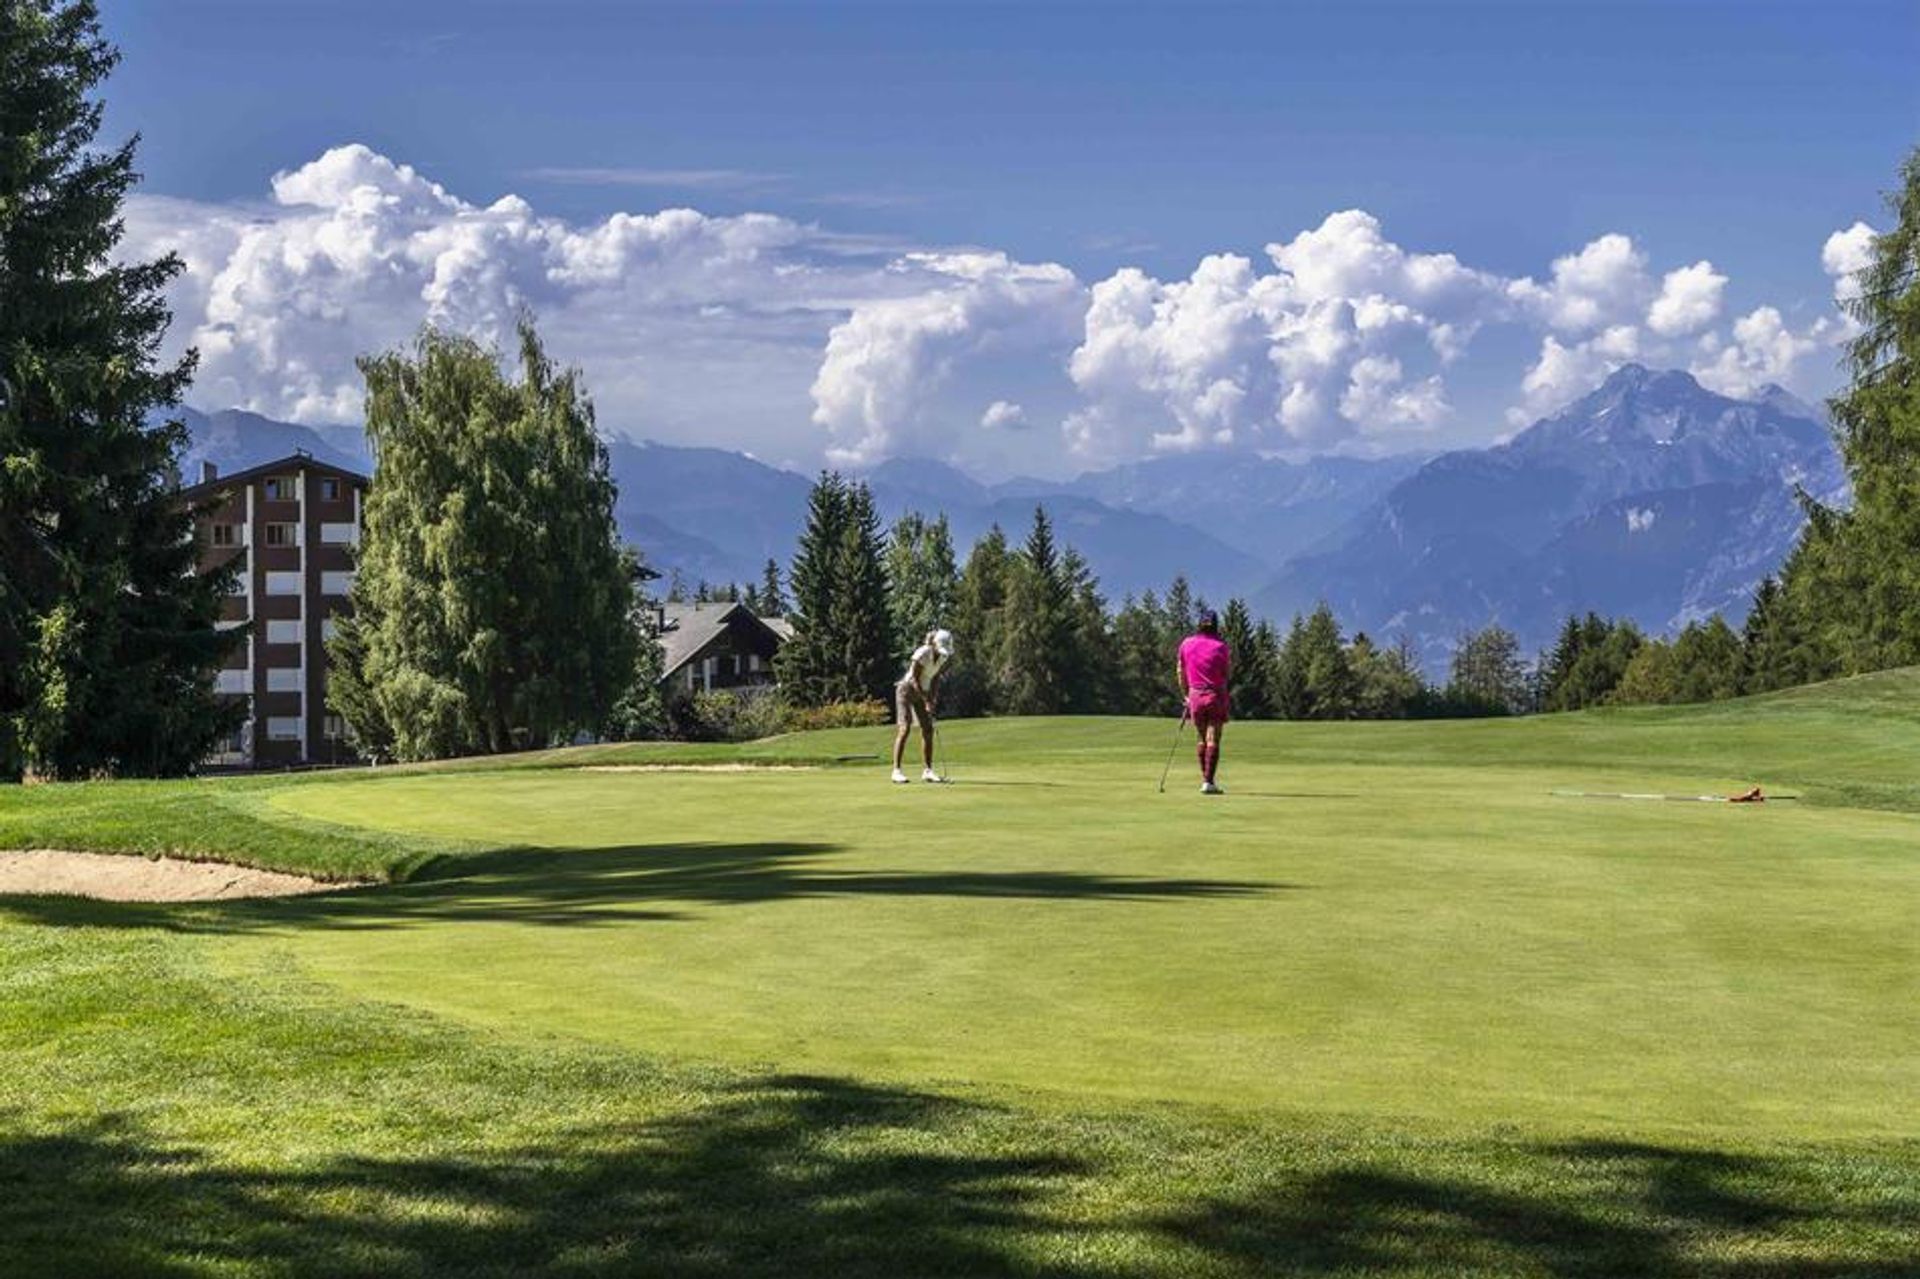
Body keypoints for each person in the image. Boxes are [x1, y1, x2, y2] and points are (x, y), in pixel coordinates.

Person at [1177, 610, 1232, 794]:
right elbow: (1226, 675)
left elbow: (1180, 671)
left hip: (1195, 695)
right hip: (1215, 694)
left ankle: (1206, 780)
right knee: (1213, 738)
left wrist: (1186, 695)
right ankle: (1208, 782)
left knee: (1201, 738)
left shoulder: (1186, 644)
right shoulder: (1221, 646)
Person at [892, 628, 954, 784]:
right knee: (905, 728)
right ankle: (896, 771)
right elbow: (913, 679)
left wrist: (932, 699)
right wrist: (926, 700)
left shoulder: (942, 657)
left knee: (928, 729)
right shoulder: (923, 653)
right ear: (934, 644)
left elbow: (935, 679)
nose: (943, 653)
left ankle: (927, 771)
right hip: (906, 690)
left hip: (924, 692)